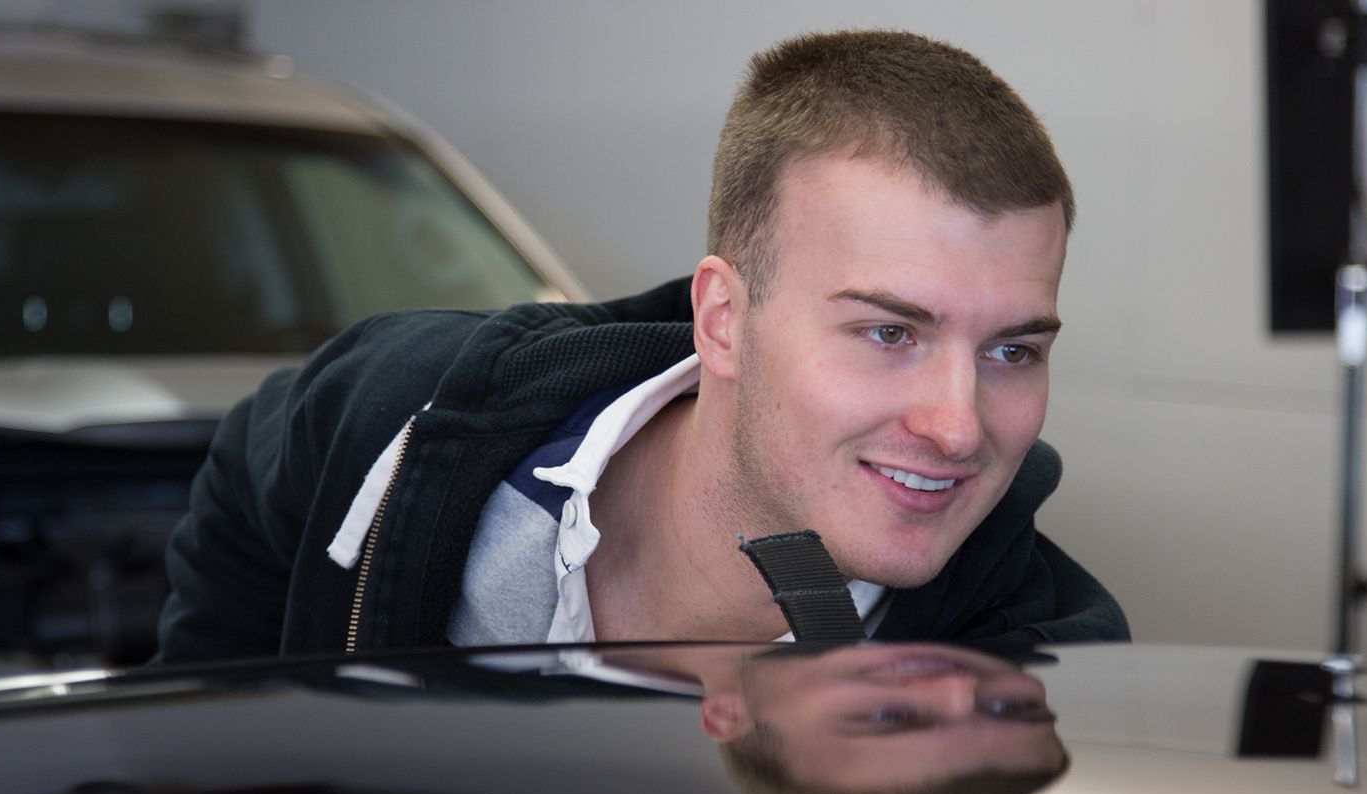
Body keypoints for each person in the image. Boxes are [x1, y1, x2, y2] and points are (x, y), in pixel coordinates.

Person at [155, 28, 1128, 662]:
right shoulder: (402, 417)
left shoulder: (1033, 672)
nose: (955, 428)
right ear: (722, 321)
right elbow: (255, 470)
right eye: (887, 332)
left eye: (1010, 351)